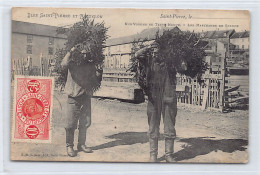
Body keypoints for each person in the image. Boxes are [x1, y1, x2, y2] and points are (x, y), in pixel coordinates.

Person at [135, 42, 186, 162]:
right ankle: (153, 155)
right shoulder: (148, 61)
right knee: (153, 126)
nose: (155, 53)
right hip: (153, 98)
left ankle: (169, 155)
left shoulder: (170, 62)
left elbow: (184, 67)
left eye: (157, 50)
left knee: (169, 127)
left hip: (168, 98)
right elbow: (137, 54)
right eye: (153, 51)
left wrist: (181, 57)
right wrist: (148, 47)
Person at [61, 44, 102, 157]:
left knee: (85, 123)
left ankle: (81, 144)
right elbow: (63, 64)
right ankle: (69, 146)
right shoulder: (72, 63)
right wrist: (71, 50)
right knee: (70, 124)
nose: (84, 56)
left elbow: (95, 81)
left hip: (86, 97)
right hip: (73, 97)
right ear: (78, 54)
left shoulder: (90, 65)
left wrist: (99, 73)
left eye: (86, 53)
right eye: (82, 53)